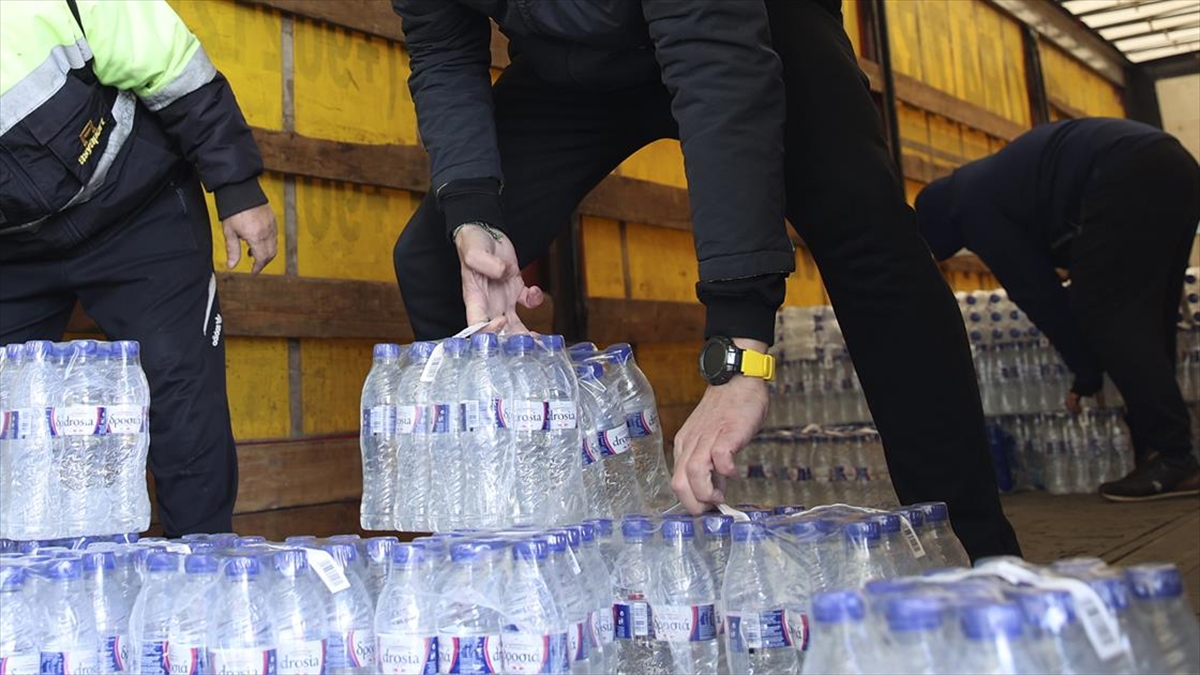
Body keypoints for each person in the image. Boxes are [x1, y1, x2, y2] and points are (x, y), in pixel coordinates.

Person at [392, 0, 1020, 559]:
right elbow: (444, 50)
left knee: (873, 245)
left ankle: (978, 552)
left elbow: (720, 76)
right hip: (576, 62)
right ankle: (522, 564)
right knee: (439, 260)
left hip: (751, 26)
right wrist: (474, 212)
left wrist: (738, 351)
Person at [0, 0, 277, 535]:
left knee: (181, 394)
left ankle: (201, 577)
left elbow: (173, 65)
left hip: (138, 207)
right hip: (14, 252)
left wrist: (237, 187)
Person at [916, 117, 1200, 502]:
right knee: (1146, 316)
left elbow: (1041, 296)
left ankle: (1172, 456)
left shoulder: (972, 208)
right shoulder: (992, 184)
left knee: (1105, 313)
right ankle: (1164, 452)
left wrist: (1085, 373)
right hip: (1171, 163)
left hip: (1125, 172)